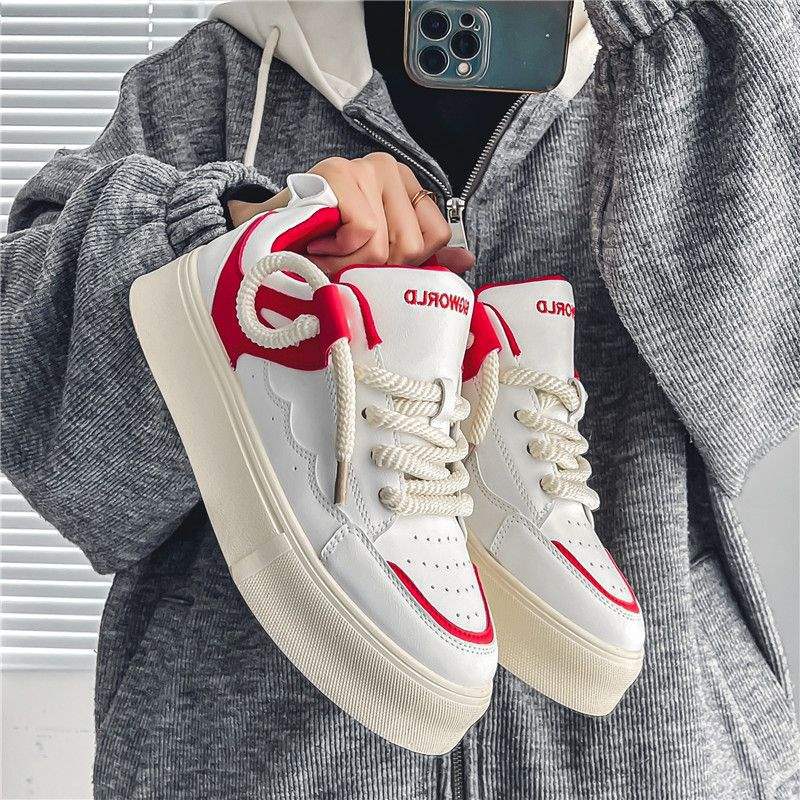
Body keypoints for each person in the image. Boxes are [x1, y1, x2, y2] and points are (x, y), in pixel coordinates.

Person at [2, 1, 798, 797]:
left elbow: (753, 399)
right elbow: (47, 427)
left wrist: (673, 28)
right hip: (259, 765)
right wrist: (234, 240)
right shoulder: (214, 79)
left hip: (655, 752)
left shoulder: (698, 58)